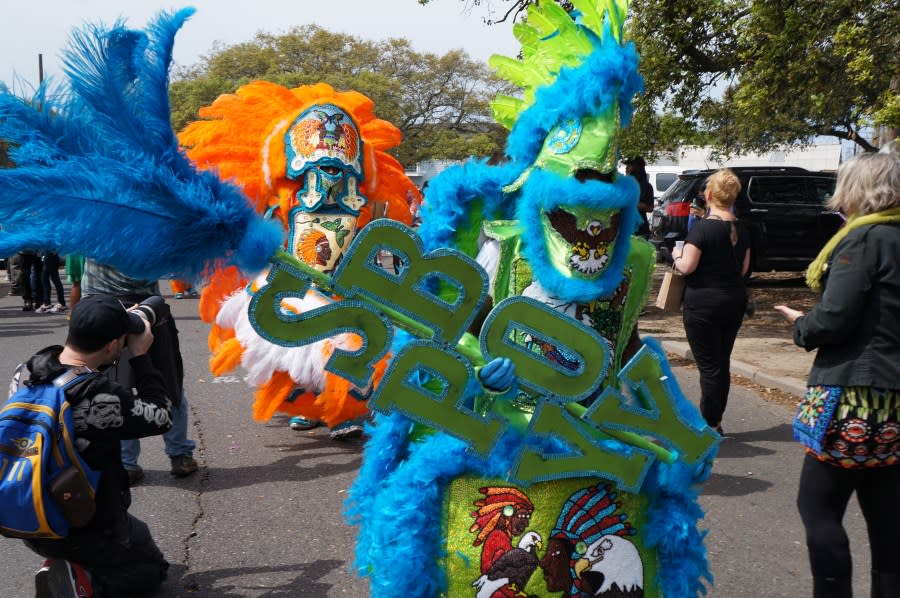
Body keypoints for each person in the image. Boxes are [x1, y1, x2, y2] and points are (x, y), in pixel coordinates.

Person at [775, 152, 900, 598]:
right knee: (887, 521)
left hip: (853, 396)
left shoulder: (864, 240)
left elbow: (835, 318)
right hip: (894, 403)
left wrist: (800, 325)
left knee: (819, 508)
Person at [10, 294, 173, 596]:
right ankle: (81, 581)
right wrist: (140, 356)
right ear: (113, 345)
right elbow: (162, 416)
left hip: (32, 513)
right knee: (151, 571)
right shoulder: (98, 395)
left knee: (139, 534)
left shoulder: (28, 371)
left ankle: (60, 561)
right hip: (88, 523)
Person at [81, 259, 198, 484]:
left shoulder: (88, 226)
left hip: (104, 311)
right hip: (147, 311)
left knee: (115, 391)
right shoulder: (149, 224)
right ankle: (180, 454)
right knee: (169, 382)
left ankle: (126, 463)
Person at [670, 168, 750, 433]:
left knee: (709, 365)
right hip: (734, 301)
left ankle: (710, 423)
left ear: (711, 194)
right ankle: (716, 419)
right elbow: (743, 270)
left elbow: (687, 266)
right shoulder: (742, 228)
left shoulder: (703, 229)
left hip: (703, 303)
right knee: (721, 361)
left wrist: (675, 255)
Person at [624, 157, 654, 238]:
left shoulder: (645, 186)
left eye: (629, 165)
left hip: (639, 231)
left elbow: (650, 208)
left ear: (637, 168)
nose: (626, 168)